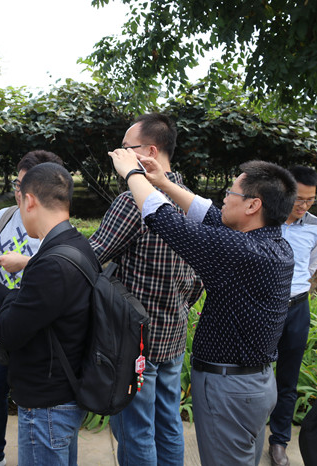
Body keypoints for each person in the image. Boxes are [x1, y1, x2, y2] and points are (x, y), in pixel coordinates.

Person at [108, 149, 296, 466]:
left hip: (229, 389)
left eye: (230, 193)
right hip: (254, 384)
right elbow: (209, 214)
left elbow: (163, 219)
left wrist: (132, 174)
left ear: (253, 205)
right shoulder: (274, 244)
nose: (223, 199)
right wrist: (162, 182)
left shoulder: (238, 251)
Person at [89, 113, 203, 466]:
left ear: (150, 151)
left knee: (135, 428)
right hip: (173, 335)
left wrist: (34, 260)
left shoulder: (133, 202)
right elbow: (200, 278)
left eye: (126, 148)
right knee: (168, 423)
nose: (118, 155)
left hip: (134, 341)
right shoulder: (192, 202)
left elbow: (91, 256)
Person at [0, 162, 94, 466]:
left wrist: (2, 299)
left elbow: (11, 331)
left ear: (29, 200)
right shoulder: (78, 245)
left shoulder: (48, 263)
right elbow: (39, 310)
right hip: (66, 389)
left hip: (46, 404)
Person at [0, 150, 63, 466]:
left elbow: (64, 266)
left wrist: (26, 262)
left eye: (25, 185)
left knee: (33, 400)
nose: (19, 192)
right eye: (17, 184)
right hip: (3, 319)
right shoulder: (4, 216)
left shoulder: (55, 223)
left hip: (37, 327)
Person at [268, 166, 317, 466]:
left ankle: (279, 441)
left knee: (288, 379)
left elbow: (310, 267)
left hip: (297, 308)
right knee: (254, 374)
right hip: (264, 307)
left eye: (310, 200)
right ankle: (250, 433)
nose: (303, 205)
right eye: (298, 199)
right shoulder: (265, 219)